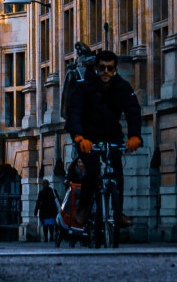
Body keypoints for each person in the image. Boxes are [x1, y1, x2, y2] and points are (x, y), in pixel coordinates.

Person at [66, 48, 143, 225]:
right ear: (96, 69)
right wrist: (78, 137)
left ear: (115, 69)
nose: (106, 72)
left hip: (111, 135)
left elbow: (133, 111)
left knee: (117, 172)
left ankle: (118, 212)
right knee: (92, 170)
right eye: (102, 68)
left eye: (109, 68)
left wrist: (135, 136)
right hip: (87, 136)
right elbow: (74, 112)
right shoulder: (83, 87)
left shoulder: (122, 87)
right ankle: (83, 208)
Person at [35, 178, 59, 242]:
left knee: (45, 226)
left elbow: (38, 202)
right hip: (52, 211)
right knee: (51, 225)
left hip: (44, 212)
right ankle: (51, 236)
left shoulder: (41, 192)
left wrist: (36, 211)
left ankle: (46, 237)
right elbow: (58, 200)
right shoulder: (53, 191)